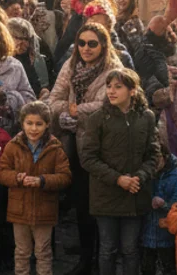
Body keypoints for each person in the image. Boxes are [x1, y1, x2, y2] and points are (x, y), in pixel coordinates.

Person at [47, 23, 122, 275]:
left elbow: (108, 104)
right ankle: (86, 258)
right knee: (81, 203)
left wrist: (75, 111)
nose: (86, 49)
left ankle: (105, 259)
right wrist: (63, 115)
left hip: (104, 147)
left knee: (101, 206)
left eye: (92, 43)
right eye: (81, 43)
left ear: (103, 44)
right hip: (74, 147)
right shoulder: (70, 66)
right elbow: (54, 99)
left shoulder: (114, 69)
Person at [79, 68, 160, 275]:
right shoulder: (97, 119)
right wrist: (117, 179)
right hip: (106, 196)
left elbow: (153, 154)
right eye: (109, 86)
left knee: (130, 249)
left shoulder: (147, 117)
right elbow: (88, 158)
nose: (111, 91)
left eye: (118, 86)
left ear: (132, 91)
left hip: (135, 194)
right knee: (107, 248)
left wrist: (139, 177)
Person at [0, 100, 71, 275]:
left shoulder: (55, 149)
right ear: (22, 123)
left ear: (47, 125)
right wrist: (17, 178)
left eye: (39, 124)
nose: (33, 128)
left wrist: (42, 181)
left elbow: (65, 177)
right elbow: (2, 172)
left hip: (44, 210)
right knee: (21, 252)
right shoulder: (13, 146)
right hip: (19, 210)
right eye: (29, 123)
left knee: (43, 253)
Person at [142, 148, 177, 275]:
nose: (154, 162)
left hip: (167, 235)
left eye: (157, 158)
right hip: (146, 234)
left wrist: (164, 204)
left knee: (169, 268)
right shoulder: (144, 176)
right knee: (146, 268)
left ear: (165, 157)